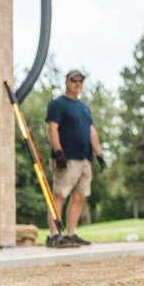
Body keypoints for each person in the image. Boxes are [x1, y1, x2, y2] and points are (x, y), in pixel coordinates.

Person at [44, 70, 106, 248]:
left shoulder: (84, 107)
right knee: (60, 195)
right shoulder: (57, 104)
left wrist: (98, 154)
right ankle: (53, 235)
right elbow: (52, 128)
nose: (78, 83)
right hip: (67, 157)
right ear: (66, 82)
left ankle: (71, 234)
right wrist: (58, 151)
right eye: (74, 80)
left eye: (81, 81)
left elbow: (91, 131)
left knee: (79, 196)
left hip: (84, 158)